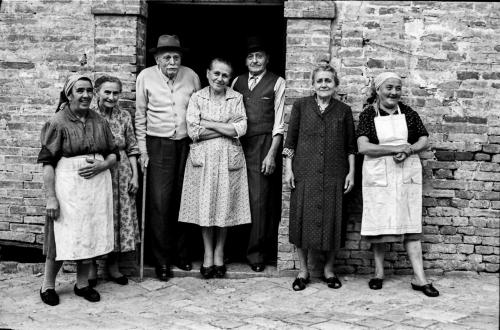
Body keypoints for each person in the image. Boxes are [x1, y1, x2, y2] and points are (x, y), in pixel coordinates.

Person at [357, 72, 439, 297]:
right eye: (389, 88)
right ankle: (378, 273)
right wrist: (396, 149)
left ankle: (420, 278)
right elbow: (364, 147)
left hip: (405, 173)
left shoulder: (409, 113)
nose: (393, 92)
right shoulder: (368, 115)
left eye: (397, 88)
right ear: (378, 90)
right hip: (379, 175)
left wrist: (410, 149)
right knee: (380, 222)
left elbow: (423, 138)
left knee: (410, 223)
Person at [38, 75, 118, 306]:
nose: (85, 95)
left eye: (89, 90)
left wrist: (104, 164)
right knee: (62, 236)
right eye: (80, 90)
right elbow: (47, 164)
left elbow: (114, 153)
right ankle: (48, 285)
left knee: (89, 233)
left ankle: (82, 284)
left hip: (96, 187)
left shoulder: (99, 121)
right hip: (68, 188)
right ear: (69, 94)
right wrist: (51, 198)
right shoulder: (58, 122)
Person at [283, 63, 355, 291]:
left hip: (336, 173)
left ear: (336, 85)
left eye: (328, 81)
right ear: (313, 84)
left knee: (334, 221)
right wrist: (288, 168)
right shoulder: (301, 106)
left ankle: (329, 270)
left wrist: (351, 172)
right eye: (320, 81)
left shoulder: (343, 111)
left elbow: (351, 146)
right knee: (301, 220)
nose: (324, 84)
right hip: (305, 172)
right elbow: (290, 142)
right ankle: (303, 271)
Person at [135, 35, 201, 281]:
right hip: (157, 145)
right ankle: (161, 261)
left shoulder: (192, 76)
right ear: (157, 59)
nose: (172, 62)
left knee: (184, 199)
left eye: (176, 57)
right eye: (167, 57)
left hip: (186, 144)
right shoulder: (145, 77)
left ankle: (181, 254)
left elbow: (198, 111)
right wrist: (143, 151)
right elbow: (140, 117)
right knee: (160, 204)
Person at [179, 58, 251, 279]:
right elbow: (193, 131)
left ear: (230, 78)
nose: (220, 78)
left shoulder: (236, 97)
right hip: (203, 159)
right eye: (216, 73)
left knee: (224, 205)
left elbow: (241, 128)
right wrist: (225, 128)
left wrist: (208, 123)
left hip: (229, 157)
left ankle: (220, 252)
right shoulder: (197, 97)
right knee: (205, 206)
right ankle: (207, 253)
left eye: (225, 75)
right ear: (208, 73)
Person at [231, 36, 286, 272]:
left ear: (267, 59)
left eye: (259, 56)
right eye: (251, 57)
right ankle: (233, 250)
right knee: (234, 196)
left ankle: (257, 254)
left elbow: (280, 122)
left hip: (263, 145)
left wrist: (272, 154)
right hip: (237, 143)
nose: (255, 60)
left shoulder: (277, 82)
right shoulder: (236, 82)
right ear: (245, 60)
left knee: (259, 200)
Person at [87, 75, 140, 287]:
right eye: (107, 92)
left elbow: (132, 147)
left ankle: (113, 265)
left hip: (122, 170)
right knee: (96, 215)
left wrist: (135, 175)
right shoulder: (89, 116)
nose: (111, 97)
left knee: (119, 216)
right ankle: (90, 265)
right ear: (97, 93)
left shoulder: (124, 116)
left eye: (115, 93)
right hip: (98, 170)